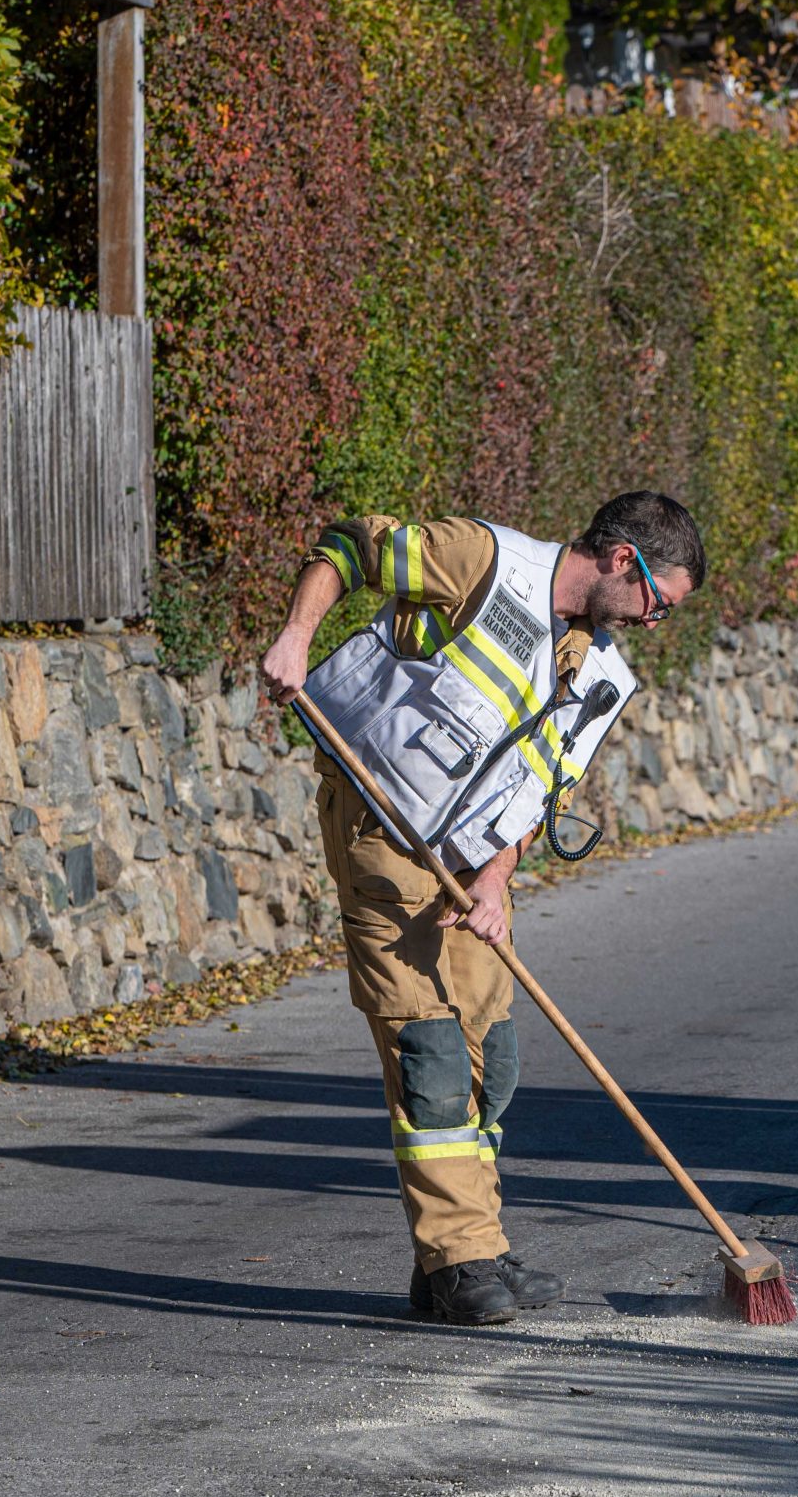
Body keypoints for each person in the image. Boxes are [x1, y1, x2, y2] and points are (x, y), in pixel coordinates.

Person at [259, 494, 705, 1326]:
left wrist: (498, 881)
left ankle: (470, 1253)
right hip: (382, 822)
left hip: (470, 869)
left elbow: (539, 790)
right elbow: (350, 550)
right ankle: (459, 1256)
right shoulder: (487, 562)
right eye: (658, 601)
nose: (654, 621)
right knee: (426, 1048)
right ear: (621, 560)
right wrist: (296, 635)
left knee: (490, 1059)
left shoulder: (602, 675)